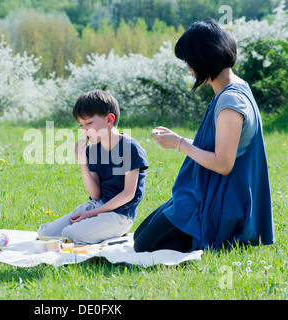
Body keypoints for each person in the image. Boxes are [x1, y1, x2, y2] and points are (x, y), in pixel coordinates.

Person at [134, 18, 274, 252]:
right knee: (141, 235)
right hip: (206, 189)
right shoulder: (234, 88)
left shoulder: (230, 103)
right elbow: (218, 148)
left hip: (219, 202)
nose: (189, 68)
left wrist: (179, 144)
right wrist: (177, 139)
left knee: (144, 245)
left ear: (204, 59)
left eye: (190, 61)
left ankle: (208, 236)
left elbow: (223, 163)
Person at [37, 90, 149, 244]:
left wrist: (92, 214)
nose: (84, 130)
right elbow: (96, 195)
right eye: (81, 125)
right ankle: (96, 229)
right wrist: (82, 162)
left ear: (109, 119)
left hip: (120, 215)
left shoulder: (129, 147)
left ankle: (110, 232)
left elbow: (128, 194)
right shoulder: (93, 149)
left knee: (70, 234)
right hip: (98, 206)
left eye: (89, 123)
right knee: (45, 233)